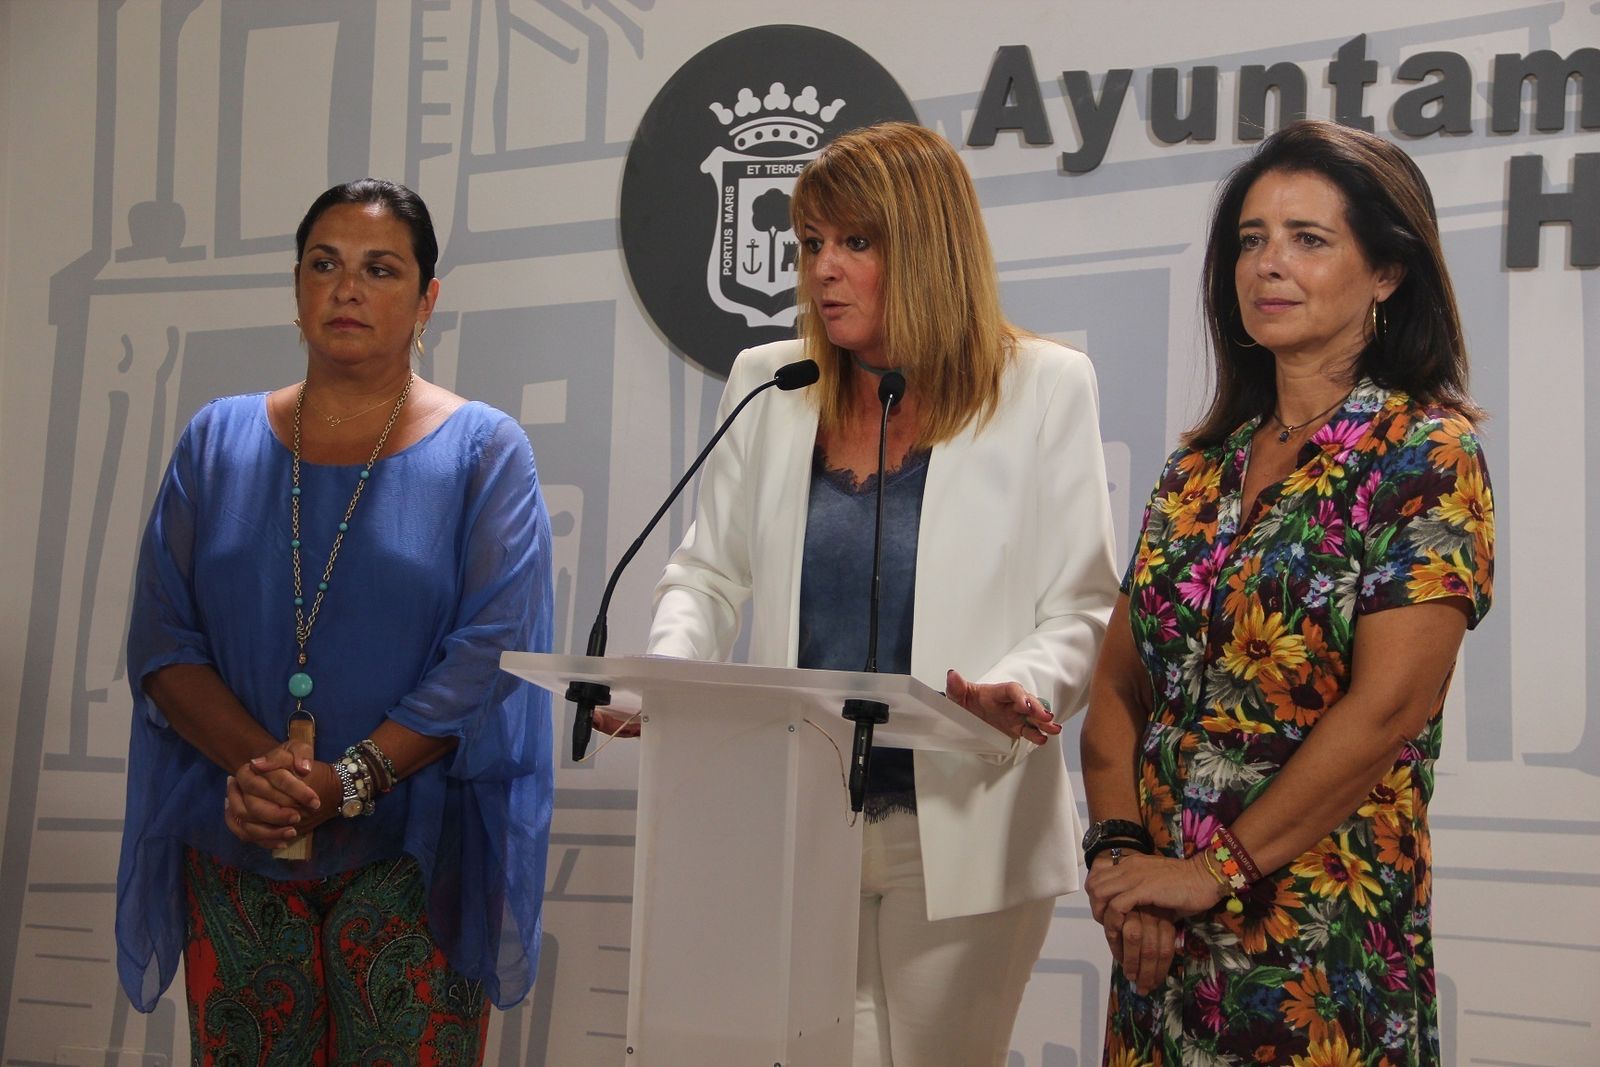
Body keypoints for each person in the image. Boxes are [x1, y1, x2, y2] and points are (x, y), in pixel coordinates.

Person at [619, 121, 1120, 1066]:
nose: (821, 270)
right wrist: (672, 677)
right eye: (811, 244)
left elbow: (1081, 604)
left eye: (855, 243)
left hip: (966, 817)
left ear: (927, 248)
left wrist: (1017, 688)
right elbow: (708, 572)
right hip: (800, 818)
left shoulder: (1046, 385)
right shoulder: (770, 382)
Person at [1081, 119, 1494, 1066]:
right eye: (1252, 239)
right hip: (1159, 949)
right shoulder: (1196, 469)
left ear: (1387, 273)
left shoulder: (1425, 454)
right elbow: (1117, 689)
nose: (1270, 263)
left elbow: (1391, 704)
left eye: (1309, 239)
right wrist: (1122, 860)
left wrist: (1210, 870)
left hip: (1319, 951)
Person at [116, 179, 554, 1064]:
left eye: (379, 268)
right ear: (296, 287)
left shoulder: (484, 451)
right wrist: (266, 773)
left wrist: (346, 782)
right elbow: (164, 641)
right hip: (236, 830)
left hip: (414, 850)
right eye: (325, 264)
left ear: (427, 299)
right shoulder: (215, 440)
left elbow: (488, 654)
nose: (346, 288)